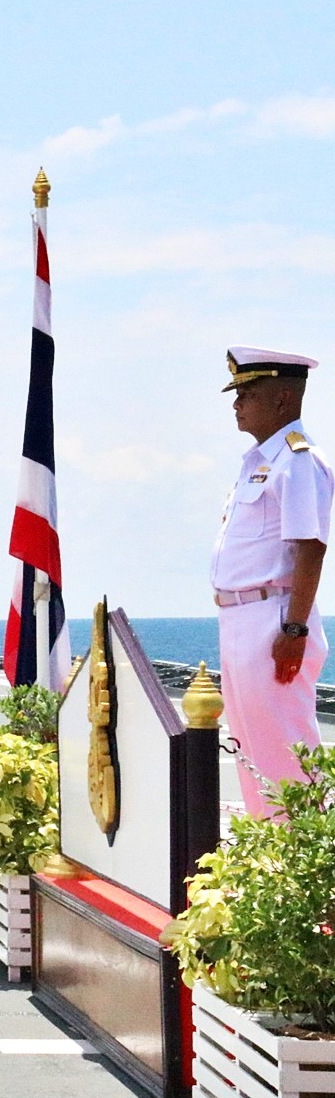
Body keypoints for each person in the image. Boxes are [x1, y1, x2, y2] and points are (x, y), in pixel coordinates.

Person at [212, 345, 332, 819]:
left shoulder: (298, 460)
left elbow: (311, 546)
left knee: (285, 746)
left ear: (283, 400)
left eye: (247, 392)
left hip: (273, 618)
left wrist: (295, 629)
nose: (237, 403)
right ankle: (271, 849)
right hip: (241, 617)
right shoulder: (259, 461)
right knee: (250, 745)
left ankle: (308, 858)